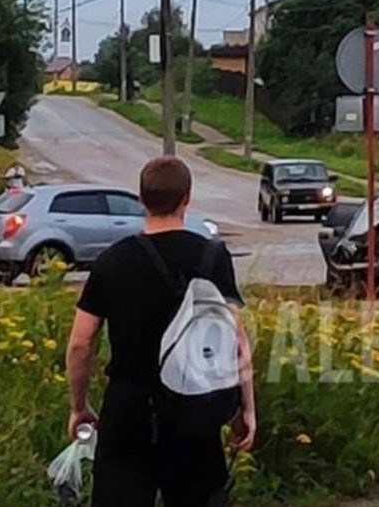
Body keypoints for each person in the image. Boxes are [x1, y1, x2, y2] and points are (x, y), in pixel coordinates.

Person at [66, 157, 256, 507]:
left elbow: (81, 343)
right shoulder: (212, 258)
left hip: (128, 407)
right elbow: (237, 341)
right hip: (194, 408)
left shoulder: (113, 260)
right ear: (187, 198)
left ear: (140, 199)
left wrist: (79, 406)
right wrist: (246, 408)